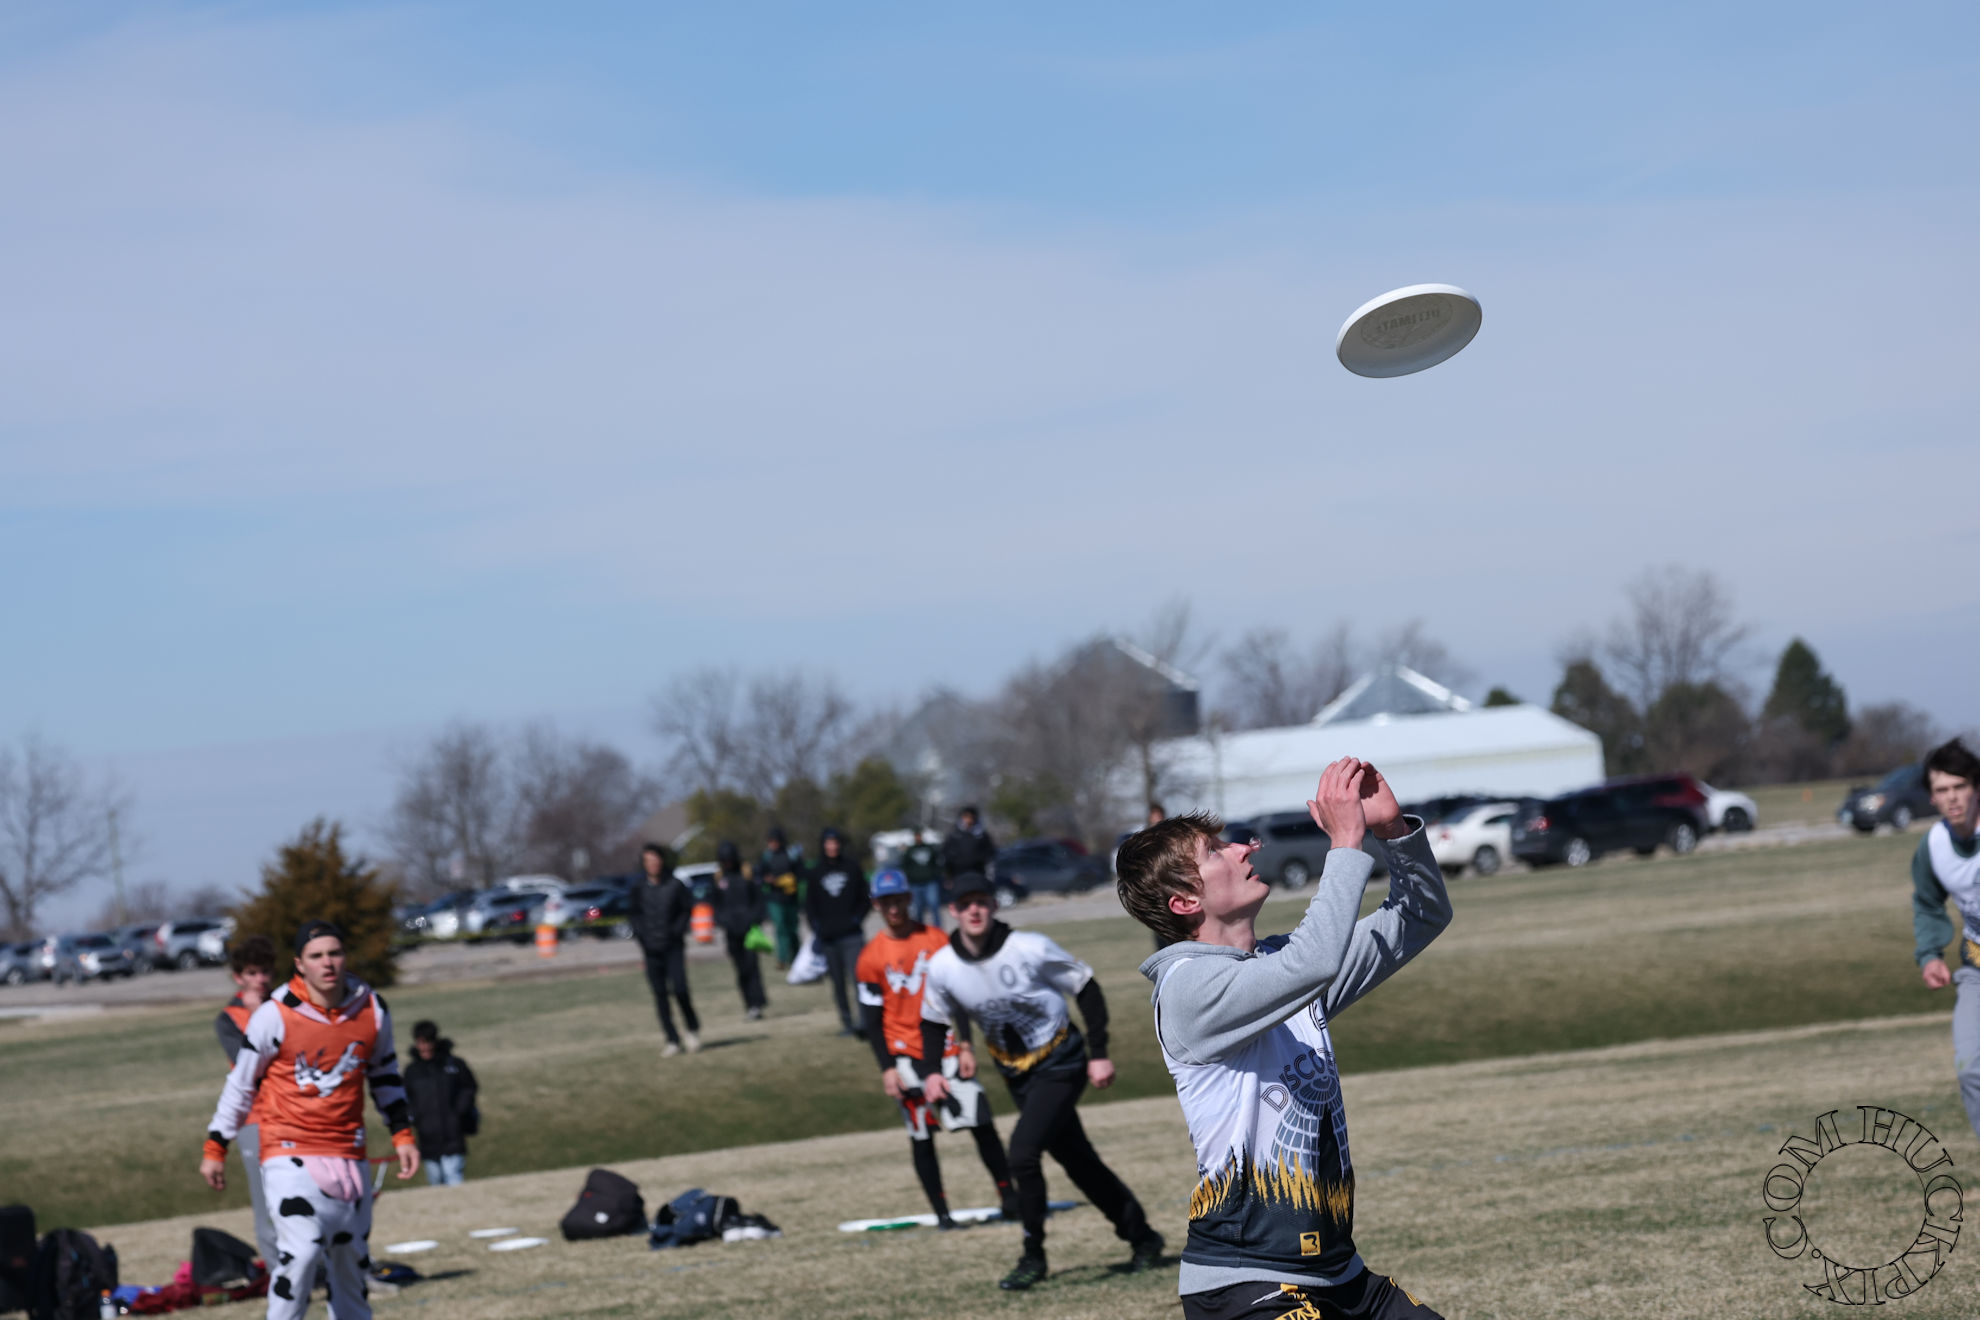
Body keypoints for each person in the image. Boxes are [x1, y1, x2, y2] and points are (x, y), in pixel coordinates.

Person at [1116, 758, 1453, 1320]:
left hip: (1341, 1276)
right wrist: (1346, 842)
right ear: (1184, 902)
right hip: (1247, 1285)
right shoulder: (1186, 988)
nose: (1243, 847)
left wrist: (1393, 832)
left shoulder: (1282, 969)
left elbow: (1421, 915)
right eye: (1215, 851)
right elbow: (1314, 961)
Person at [920, 871, 1162, 1291]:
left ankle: (1033, 1254)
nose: (974, 910)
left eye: (982, 901)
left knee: (1022, 1154)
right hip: (1016, 1072)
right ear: (952, 910)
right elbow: (933, 1020)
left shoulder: (1028, 947)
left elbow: (1085, 987)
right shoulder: (942, 966)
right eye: (965, 903)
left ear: (993, 904)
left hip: (1061, 1060)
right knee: (1077, 1160)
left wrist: (1099, 1054)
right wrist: (930, 1073)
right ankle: (1142, 1237)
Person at [199, 920, 419, 1320]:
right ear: (300, 964)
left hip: (348, 1152)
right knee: (300, 1254)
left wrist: (403, 1135)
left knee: (350, 1264)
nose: (327, 963)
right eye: (316, 956)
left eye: (335, 953)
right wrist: (216, 1145)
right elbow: (241, 1084)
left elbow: (385, 1075)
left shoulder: (371, 1008)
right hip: (288, 1150)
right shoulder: (275, 1014)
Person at [856, 870, 1016, 1229]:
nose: (894, 908)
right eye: (886, 901)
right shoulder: (870, 957)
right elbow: (872, 1020)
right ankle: (942, 1213)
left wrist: (965, 1045)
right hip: (905, 1055)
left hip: (946, 1049)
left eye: (899, 899)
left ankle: (1009, 1199)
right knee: (921, 1134)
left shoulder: (937, 940)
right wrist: (887, 1068)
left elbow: (958, 998)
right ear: (876, 905)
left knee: (981, 1122)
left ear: (909, 898)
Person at [1911, 738, 1980, 1146]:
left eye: (1960, 786)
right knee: (1971, 1068)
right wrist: (1929, 955)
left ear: (1976, 788)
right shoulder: (1934, 847)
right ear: (1932, 798)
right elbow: (1927, 903)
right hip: (1976, 967)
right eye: (1942, 790)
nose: (1952, 798)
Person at [214, 934, 280, 1272]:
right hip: (255, 1118)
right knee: (266, 1203)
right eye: (252, 973)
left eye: (265, 971)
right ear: (239, 977)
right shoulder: (229, 1018)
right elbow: (248, 1064)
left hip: (294, 1113)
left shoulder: (287, 1005)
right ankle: (279, 1273)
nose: (261, 979)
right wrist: (257, 1018)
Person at [628, 842, 700, 1056]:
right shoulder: (638, 889)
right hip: (651, 949)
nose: (652, 864)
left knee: (680, 989)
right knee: (660, 994)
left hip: (673, 947)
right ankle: (672, 1039)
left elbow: (687, 910)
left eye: (655, 859)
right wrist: (642, 937)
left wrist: (676, 931)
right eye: (648, 861)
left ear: (661, 861)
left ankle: (692, 1028)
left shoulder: (675, 885)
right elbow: (634, 915)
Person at [805, 826, 870, 1037]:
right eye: (828, 842)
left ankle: (865, 1022)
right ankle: (847, 1023)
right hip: (829, 938)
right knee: (838, 983)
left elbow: (865, 898)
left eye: (835, 842)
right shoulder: (816, 872)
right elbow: (810, 904)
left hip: (852, 935)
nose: (832, 846)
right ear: (823, 845)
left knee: (859, 979)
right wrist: (817, 926)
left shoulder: (852, 867)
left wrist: (856, 918)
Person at [404, 1019, 478, 1186]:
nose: (425, 1047)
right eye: (421, 1043)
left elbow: (469, 1088)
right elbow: (405, 1099)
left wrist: (458, 1112)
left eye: (428, 1042)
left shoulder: (454, 1065)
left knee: (453, 1175)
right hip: (427, 1135)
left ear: (435, 1041)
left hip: (453, 1133)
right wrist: (414, 1117)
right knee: (435, 1180)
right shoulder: (412, 1071)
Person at [713, 840, 769, 1020]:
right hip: (731, 932)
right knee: (741, 970)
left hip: (749, 930)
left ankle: (758, 1003)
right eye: (725, 860)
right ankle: (749, 1004)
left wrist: (754, 918)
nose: (728, 863)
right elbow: (715, 905)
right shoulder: (719, 879)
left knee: (752, 967)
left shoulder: (747, 874)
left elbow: (759, 899)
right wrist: (723, 921)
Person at [759, 827, 804, 969]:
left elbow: (801, 873)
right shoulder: (767, 857)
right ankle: (782, 958)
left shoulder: (791, 855)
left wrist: (791, 880)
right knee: (780, 927)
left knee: (792, 928)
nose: (772, 844)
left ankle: (796, 957)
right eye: (770, 841)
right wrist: (768, 880)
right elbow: (760, 875)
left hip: (790, 898)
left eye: (775, 841)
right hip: (775, 898)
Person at [899, 830, 947, 929]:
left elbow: (938, 862)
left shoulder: (929, 849)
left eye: (919, 835)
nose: (918, 838)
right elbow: (904, 866)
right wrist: (910, 876)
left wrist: (935, 873)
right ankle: (919, 929)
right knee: (918, 908)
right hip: (915, 884)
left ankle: (938, 929)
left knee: (934, 905)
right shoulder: (910, 850)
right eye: (916, 836)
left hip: (930, 882)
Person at [941, 806, 996, 887]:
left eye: (971, 817)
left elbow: (990, 856)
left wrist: (989, 876)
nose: (969, 820)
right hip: (958, 875)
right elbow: (946, 856)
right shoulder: (954, 835)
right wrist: (948, 877)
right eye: (966, 817)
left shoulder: (982, 835)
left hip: (978, 874)